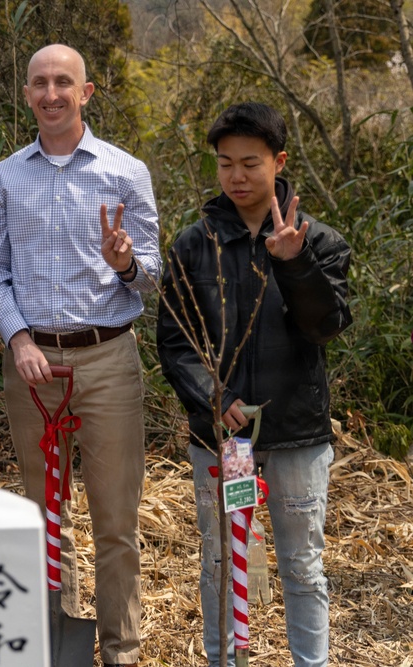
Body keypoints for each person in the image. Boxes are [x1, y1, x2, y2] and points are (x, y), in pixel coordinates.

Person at [0, 44, 160, 667]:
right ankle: (58, 646)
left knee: (115, 519)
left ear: (86, 92)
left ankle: (121, 651)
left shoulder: (125, 171)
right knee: (43, 514)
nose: (51, 94)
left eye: (63, 82)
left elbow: (154, 276)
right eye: (39, 83)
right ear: (27, 93)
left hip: (107, 359)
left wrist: (125, 264)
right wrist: (18, 339)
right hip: (32, 366)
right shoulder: (5, 177)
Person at [156, 102, 351, 667]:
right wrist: (214, 399)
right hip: (227, 438)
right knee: (220, 560)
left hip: (295, 432)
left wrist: (295, 263)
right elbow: (175, 340)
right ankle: (225, 660)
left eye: (250, 163)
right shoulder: (194, 245)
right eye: (225, 164)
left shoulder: (319, 240)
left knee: (302, 566)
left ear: (279, 162)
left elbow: (326, 326)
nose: (236, 177)